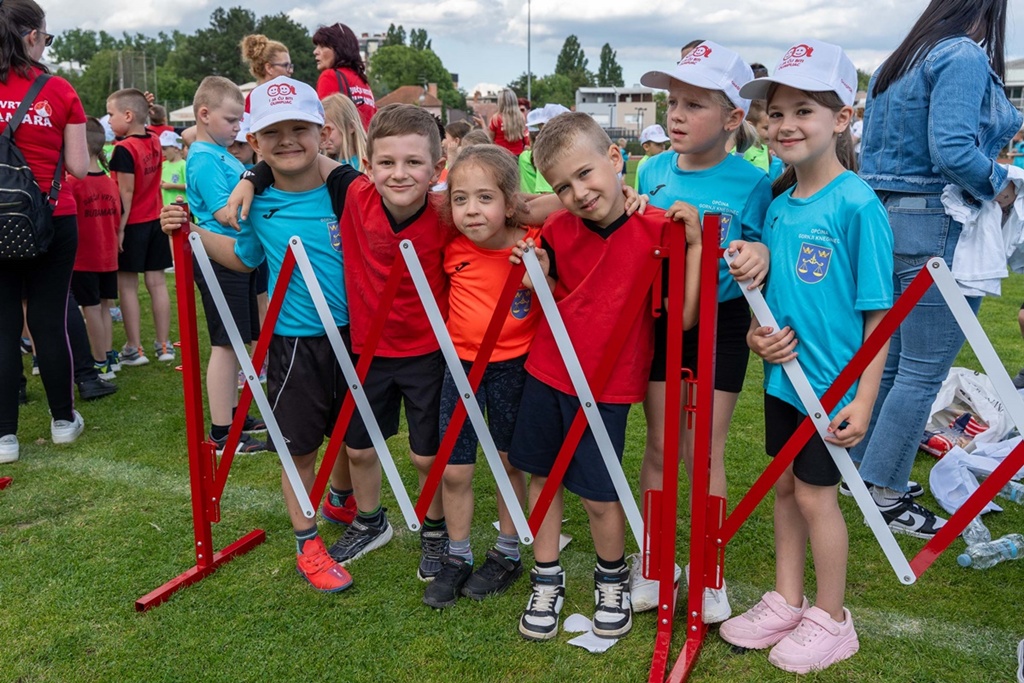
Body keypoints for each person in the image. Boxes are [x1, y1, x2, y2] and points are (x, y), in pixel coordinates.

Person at [719, 40, 894, 673]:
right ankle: (787, 601)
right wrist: (756, 338)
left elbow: (880, 315)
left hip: (834, 391)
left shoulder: (856, 204)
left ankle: (832, 618)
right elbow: (771, 305)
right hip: (783, 384)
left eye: (804, 111)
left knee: (819, 498)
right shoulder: (775, 204)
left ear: (843, 118)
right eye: (775, 113)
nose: (786, 125)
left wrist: (865, 400)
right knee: (787, 490)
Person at [229, 104, 450, 578]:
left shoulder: (446, 210)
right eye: (387, 163)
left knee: (425, 454)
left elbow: (506, 206)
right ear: (369, 166)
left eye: (414, 163)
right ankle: (370, 521)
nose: (400, 173)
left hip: (430, 352)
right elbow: (299, 154)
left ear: (437, 166)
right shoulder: (355, 194)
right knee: (359, 448)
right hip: (365, 350)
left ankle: (436, 530)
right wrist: (251, 177)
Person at [508, 112, 703, 641]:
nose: (578, 192)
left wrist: (697, 248)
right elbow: (552, 289)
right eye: (562, 186)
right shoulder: (556, 228)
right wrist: (537, 268)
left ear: (616, 161)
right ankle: (546, 577)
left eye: (586, 174)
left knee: (600, 492)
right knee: (543, 480)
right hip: (548, 371)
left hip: (608, 386)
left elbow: (682, 318)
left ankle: (611, 577)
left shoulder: (656, 228)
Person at [161, 76, 354, 593]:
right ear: (255, 140)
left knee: (352, 437)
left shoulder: (349, 189)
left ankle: (341, 500)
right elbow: (244, 259)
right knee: (299, 447)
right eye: (273, 132)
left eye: (299, 128)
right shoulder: (258, 201)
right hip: (293, 343)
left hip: (355, 337)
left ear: (323, 131)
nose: (287, 140)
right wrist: (193, 232)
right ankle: (307, 543)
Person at [853, 0, 1022, 537]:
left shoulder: (898, 61)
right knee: (921, 369)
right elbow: (951, 149)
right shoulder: (961, 55)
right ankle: (883, 491)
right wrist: (1002, 185)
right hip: (935, 223)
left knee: (896, 363)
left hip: (888, 222)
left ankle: (863, 474)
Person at [636, 41, 772, 621]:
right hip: (661, 318)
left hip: (721, 323)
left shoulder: (752, 182)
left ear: (734, 118)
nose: (676, 114)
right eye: (672, 101)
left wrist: (761, 250)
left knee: (705, 449)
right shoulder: (649, 168)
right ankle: (654, 562)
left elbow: (768, 244)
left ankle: (707, 569)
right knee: (663, 443)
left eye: (694, 104)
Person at [422, 145, 539, 609]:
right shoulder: (451, 248)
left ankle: (507, 553)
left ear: (510, 202)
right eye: (461, 199)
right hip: (461, 368)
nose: (472, 210)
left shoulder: (531, 243)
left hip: (515, 368)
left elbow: (551, 290)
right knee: (455, 469)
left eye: (485, 198)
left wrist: (538, 273)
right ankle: (457, 556)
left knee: (511, 462)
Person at [0, 0, 89, 462]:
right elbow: (79, 166)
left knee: (3, 324)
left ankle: (5, 437)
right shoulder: (58, 89)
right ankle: (61, 420)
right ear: (33, 35)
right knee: (48, 321)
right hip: (51, 216)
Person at [184, 76, 266, 455]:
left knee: (240, 341)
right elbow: (225, 213)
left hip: (240, 257)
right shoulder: (202, 158)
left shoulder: (221, 155)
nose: (238, 128)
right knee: (225, 344)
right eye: (232, 120)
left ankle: (234, 416)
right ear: (204, 114)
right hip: (220, 258)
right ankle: (221, 433)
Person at [107, 88, 174, 366]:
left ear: (128, 115)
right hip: (155, 220)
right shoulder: (156, 140)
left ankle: (134, 348)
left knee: (128, 287)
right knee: (157, 283)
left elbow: (126, 193)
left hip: (133, 224)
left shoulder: (123, 149)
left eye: (111, 114)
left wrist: (120, 229)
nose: (109, 121)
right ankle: (164, 345)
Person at [70, 118, 121, 380]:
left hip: (85, 259)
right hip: (108, 257)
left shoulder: (73, 183)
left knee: (92, 310)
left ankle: (100, 361)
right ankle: (109, 355)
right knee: (105, 307)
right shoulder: (111, 183)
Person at [313, 22, 376, 130]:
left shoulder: (330, 76)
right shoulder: (362, 81)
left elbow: (323, 121)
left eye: (322, 47)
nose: (315, 52)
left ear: (338, 49)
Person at [240, 34, 293, 108]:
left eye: (290, 66)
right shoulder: (254, 100)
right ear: (269, 68)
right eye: (285, 65)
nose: (291, 71)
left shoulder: (291, 97)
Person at [321, 93, 367, 169]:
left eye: (330, 130)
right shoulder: (321, 167)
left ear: (350, 127)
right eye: (321, 131)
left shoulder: (368, 166)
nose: (323, 137)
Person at [488, 88, 528, 156]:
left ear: (500, 102)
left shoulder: (495, 118)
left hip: (501, 156)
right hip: (518, 155)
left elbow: (490, 139)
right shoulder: (521, 117)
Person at [631, 124, 670, 190]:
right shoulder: (645, 163)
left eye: (664, 143)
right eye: (658, 144)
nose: (662, 147)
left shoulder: (660, 160)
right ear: (646, 147)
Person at [159, 131, 186, 207]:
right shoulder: (163, 165)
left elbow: (189, 186)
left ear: (176, 148)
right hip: (164, 206)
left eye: (164, 149)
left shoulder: (183, 165)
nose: (162, 152)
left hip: (180, 207)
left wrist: (172, 186)